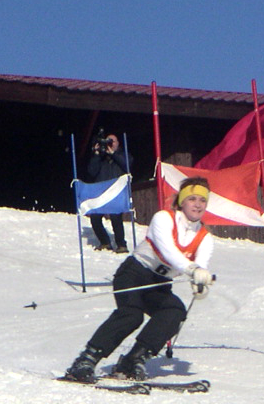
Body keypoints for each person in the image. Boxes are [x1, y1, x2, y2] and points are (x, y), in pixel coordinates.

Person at [63, 176, 215, 383]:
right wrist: (192, 269)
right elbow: (167, 251)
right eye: (192, 199)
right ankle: (85, 361)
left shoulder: (204, 237)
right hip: (134, 273)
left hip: (159, 283)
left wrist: (200, 282)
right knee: (131, 315)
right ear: (182, 201)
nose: (197, 205)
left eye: (202, 200)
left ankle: (132, 361)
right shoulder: (164, 218)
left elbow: (202, 264)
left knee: (174, 311)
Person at [86, 131, 132, 253]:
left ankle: (121, 244)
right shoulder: (101, 158)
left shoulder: (123, 154)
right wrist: (96, 154)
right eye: (107, 141)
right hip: (102, 193)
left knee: (116, 218)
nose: (110, 144)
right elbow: (91, 171)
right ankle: (105, 242)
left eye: (112, 141)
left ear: (118, 143)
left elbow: (127, 165)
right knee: (95, 218)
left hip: (116, 192)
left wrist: (114, 154)